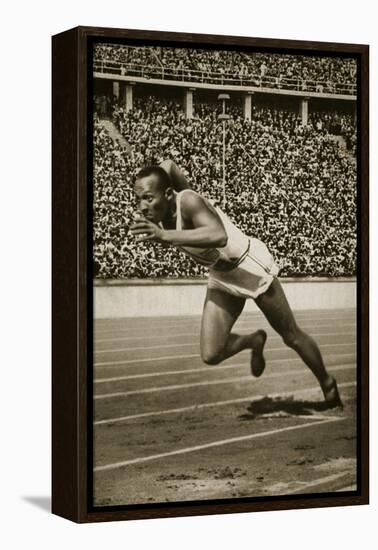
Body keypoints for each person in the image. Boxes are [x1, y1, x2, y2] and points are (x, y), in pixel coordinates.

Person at [130, 160, 343, 408]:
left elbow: (219, 236)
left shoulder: (187, 201)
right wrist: (158, 188)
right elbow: (167, 165)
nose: (142, 207)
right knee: (211, 353)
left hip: (248, 265)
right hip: (222, 276)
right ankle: (252, 340)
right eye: (139, 199)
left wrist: (165, 235)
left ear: (167, 194)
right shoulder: (162, 213)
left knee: (291, 336)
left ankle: (328, 384)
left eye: (148, 198)